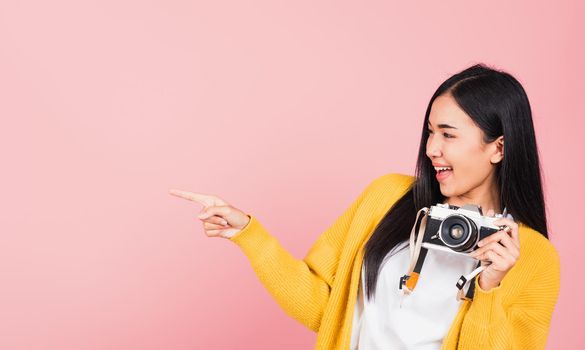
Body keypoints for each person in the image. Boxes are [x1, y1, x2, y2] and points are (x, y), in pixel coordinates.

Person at [169, 63, 560, 350]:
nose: (431, 149)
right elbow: (325, 308)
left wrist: (490, 288)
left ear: (498, 147)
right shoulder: (387, 198)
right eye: (429, 132)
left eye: (448, 135)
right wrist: (247, 233)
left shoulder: (532, 258)